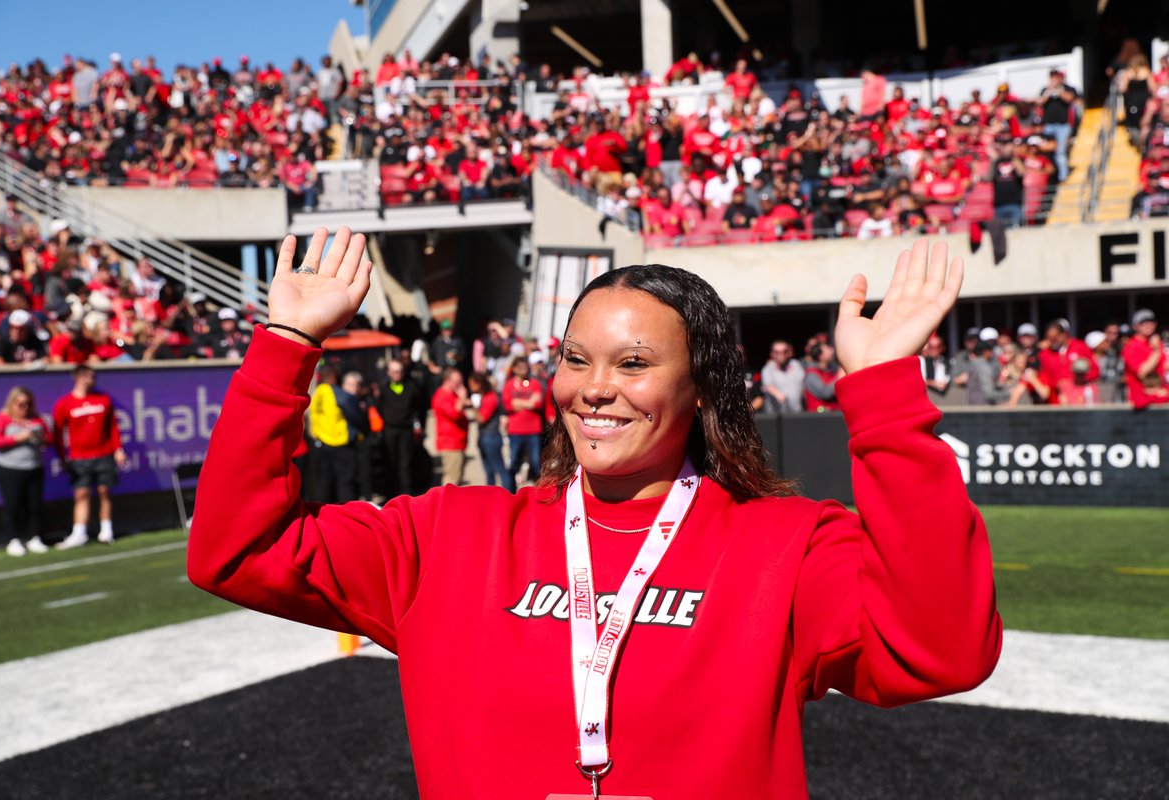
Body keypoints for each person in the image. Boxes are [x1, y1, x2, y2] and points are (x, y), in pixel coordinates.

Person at [188, 228, 1000, 798]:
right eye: (576, 359)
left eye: (634, 362)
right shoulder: (450, 535)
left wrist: (885, 395)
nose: (594, 386)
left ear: (702, 388)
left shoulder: (785, 543)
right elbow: (235, 548)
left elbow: (943, 652)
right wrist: (287, 341)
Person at [52, 365, 127, 548]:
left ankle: (106, 530)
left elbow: (113, 427)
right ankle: (79, 533)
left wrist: (118, 449)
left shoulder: (103, 399)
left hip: (104, 453)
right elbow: (58, 433)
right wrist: (62, 457)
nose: (93, 379)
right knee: (81, 494)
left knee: (104, 491)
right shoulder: (65, 403)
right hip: (79, 458)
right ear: (79, 377)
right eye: (89, 376)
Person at [0, 387, 52, 556]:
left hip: (34, 467)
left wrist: (39, 438)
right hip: (9, 469)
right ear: (12, 403)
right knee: (13, 505)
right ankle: (14, 539)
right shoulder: (3, 419)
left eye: (28, 404)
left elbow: (49, 439)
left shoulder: (37, 419)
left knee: (34, 505)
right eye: (20, 404)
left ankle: (34, 537)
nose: (24, 407)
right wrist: (17, 438)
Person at [308, 365, 361, 503]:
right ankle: (347, 512)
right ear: (333, 376)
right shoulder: (337, 392)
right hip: (341, 443)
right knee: (346, 482)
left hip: (322, 443)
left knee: (325, 482)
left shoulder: (316, 393)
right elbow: (355, 413)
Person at [377, 358, 425, 497]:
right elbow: (380, 407)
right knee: (390, 462)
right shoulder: (384, 387)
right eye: (394, 372)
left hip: (406, 430)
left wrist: (417, 424)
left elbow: (419, 406)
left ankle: (407, 493)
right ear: (388, 372)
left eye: (399, 371)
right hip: (390, 429)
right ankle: (390, 493)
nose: (397, 374)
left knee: (406, 463)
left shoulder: (412, 387)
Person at [467, 371, 514, 491]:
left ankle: (509, 494)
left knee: (500, 469)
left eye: (472, 384)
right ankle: (490, 496)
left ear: (480, 384)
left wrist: (471, 406)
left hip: (491, 438)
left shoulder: (490, 398)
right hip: (484, 438)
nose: (470, 387)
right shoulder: (485, 396)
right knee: (488, 470)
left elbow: (481, 419)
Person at [501, 357, 545, 484]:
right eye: (520, 367)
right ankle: (511, 490)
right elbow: (508, 405)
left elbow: (537, 404)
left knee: (536, 463)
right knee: (514, 461)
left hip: (533, 430)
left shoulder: (535, 383)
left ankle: (538, 489)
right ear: (514, 369)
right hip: (515, 430)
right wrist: (529, 402)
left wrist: (518, 403)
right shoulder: (509, 385)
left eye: (525, 367)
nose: (523, 370)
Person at [1121, 308, 1169, 409]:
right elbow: (1142, 372)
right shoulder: (1131, 346)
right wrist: (1156, 351)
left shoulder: (1156, 343)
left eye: (1150, 322)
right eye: (1142, 323)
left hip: (1161, 396)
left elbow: (1165, 367)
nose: (1147, 325)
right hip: (1141, 401)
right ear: (1135, 326)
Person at [431, 368, 470, 486]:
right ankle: (446, 503)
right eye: (457, 382)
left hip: (458, 441)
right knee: (451, 480)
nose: (460, 385)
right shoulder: (441, 396)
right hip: (450, 443)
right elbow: (455, 414)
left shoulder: (452, 394)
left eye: (461, 382)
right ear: (447, 381)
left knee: (457, 478)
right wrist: (463, 398)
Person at [760, 340, 805, 413]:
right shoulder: (768, 369)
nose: (781, 355)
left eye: (785, 351)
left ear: (789, 352)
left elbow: (803, 382)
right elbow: (768, 386)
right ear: (772, 354)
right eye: (777, 352)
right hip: (776, 415)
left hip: (796, 412)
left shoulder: (796, 365)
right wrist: (778, 394)